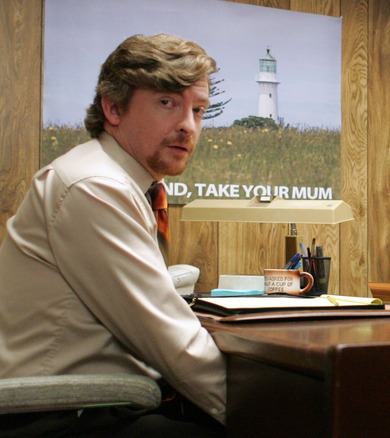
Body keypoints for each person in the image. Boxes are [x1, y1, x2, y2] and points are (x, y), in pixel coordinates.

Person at [0, 34, 225, 436]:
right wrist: (266, 415)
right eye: (167, 103)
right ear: (114, 108)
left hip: (94, 402)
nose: (187, 126)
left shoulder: (119, 179)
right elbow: (174, 346)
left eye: (199, 110)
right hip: (60, 415)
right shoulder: (94, 185)